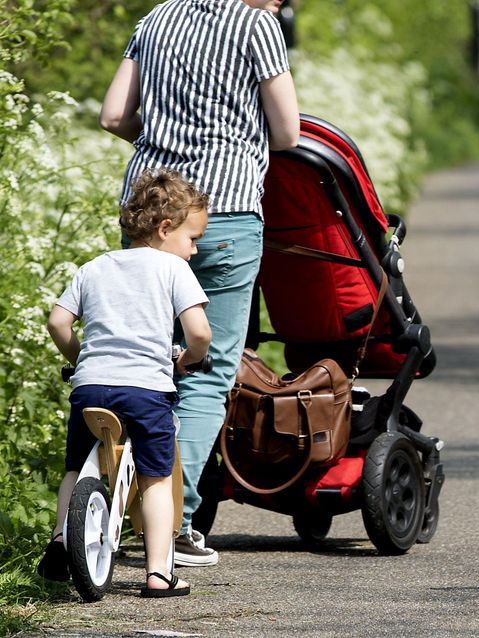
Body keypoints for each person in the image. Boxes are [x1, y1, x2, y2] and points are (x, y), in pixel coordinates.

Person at [99, 0, 300, 567]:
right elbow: (285, 132)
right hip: (226, 215)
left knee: (143, 358)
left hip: (147, 211)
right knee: (207, 371)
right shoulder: (257, 26)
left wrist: (167, 145)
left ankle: (110, 504)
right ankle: (172, 523)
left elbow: (114, 116)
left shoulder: (156, 18)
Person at [38, 169, 212, 597]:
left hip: (89, 387)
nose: (193, 250)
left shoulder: (94, 267)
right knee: (155, 478)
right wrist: (190, 360)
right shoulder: (173, 269)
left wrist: (82, 359)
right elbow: (201, 334)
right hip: (146, 390)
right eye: (193, 239)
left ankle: (62, 540)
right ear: (165, 228)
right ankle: (159, 574)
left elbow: (58, 322)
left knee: (75, 467)